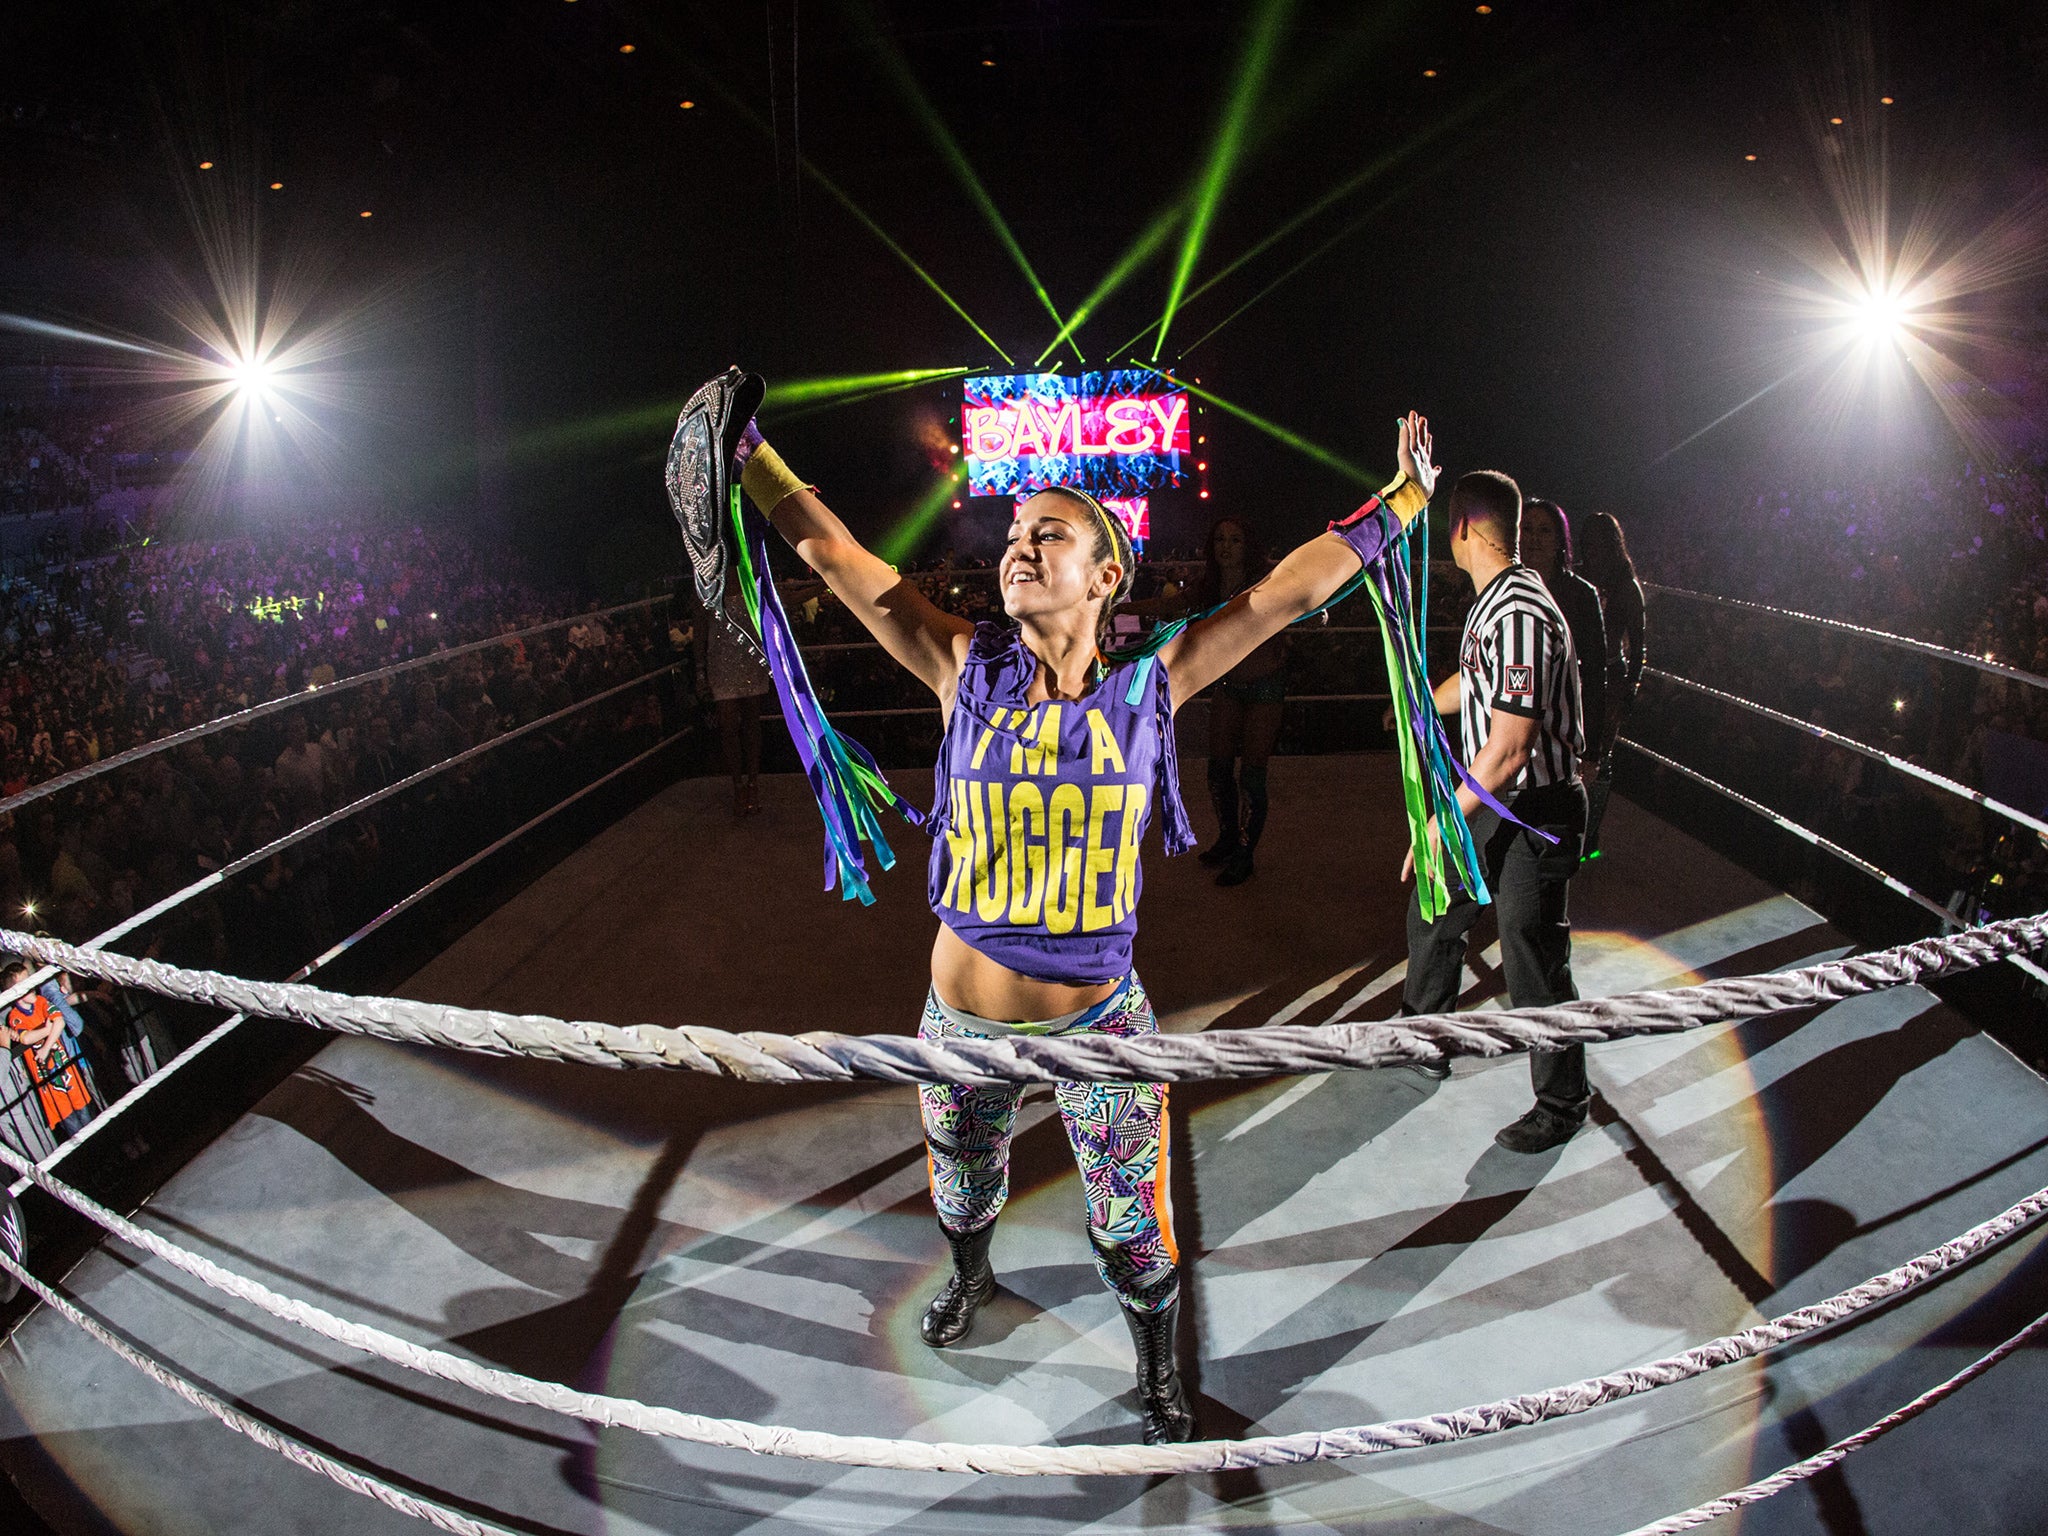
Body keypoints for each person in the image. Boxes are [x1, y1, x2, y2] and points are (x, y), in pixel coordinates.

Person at [731, 403, 1440, 1443]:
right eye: (1012, 538)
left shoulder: (1154, 682)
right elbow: (832, 555)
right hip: (959, 1026)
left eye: (1046, 536)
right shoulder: (958, 664)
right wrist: (746, 451)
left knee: (1130, 1227)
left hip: (1098, 1025)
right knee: (963, 1190)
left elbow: (1290, 587)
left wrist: (1408, 498)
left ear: (1106, 576)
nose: (1015, 550)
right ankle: (973, 1279)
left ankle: (1155, 1371)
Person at [1400, 470, 1589, 1153]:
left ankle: (1564, 1103)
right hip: (1500, 795)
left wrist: (1441, 820)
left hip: (1529, 805)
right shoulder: (1496, 601)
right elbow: (1474, 684)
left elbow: (1508, 749)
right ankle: (1423, 1037)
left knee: (1532, 955)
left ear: (1461, 530)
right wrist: (1418, 695)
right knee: (1437, 903)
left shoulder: (1518, 612)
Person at [1521, 500, 1607, 774]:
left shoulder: (1581, 595)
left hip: (1561, 727)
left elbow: (1594, 675)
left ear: (1560, 539)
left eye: (1544, 531)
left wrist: (1592, 750)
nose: (1534, 538)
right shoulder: (1505, 587)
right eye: (1527, 528)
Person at [1578, 511, 1646, 854]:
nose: (1593, 548)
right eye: (1588, 541)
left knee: (1601, 757)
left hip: (1609, 675)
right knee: (1573, 749)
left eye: (1599, 541)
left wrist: (1632, 685)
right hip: (1577, 671)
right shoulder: (1578, 575)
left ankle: (1588, 837)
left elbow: (1638, 639)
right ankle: (1573, 828)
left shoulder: (1625, 584)